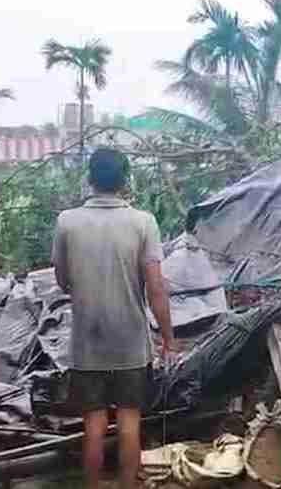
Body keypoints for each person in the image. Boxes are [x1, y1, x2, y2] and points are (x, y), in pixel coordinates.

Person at [51, 147, 174, 489]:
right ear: (125, 180)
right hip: (131, 343)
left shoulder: (67, 221)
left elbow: (61, 279)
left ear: (90, 178)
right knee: (129, 422)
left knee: (93, 424)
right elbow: (156, 288)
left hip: (87, 343)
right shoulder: (143, 222)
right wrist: (168, 337)